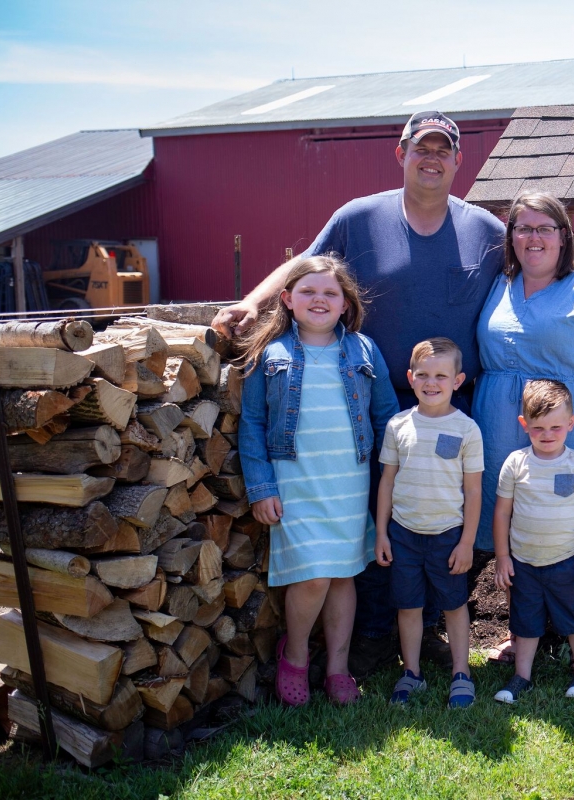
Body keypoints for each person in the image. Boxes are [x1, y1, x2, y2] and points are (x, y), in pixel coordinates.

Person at [214, 110, 505, 676]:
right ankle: (372, 635)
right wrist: (251, 303)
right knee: (374, 516)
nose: (432, 158)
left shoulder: (487, 231)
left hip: (449, 404)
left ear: (458, 159)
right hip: (369, 403)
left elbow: (536, 277)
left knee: (439, 515)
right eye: (421, 147)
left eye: (443, 149)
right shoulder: (358, 218)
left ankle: (429, 628)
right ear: (401, 154)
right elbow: (303, 269)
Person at [473, 190, 574, 664]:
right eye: (523, 228)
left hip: (568, 434)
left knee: (567, 527)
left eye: (545, 228)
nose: (533, 237)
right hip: (500, 430)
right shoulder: (499, 286)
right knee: (517, 524)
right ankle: (522, 634)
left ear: (563, 236)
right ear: (511, 237)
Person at [240, 255, 400, 706]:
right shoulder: (270, 355)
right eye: (308, 291)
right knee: (312, 578)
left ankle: (337, 668)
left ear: (345, 304)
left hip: (349, 482)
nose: (319, 300)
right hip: (296, 483)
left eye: (330, 293)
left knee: (344, 575)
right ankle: (294, 656)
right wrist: (262, 487)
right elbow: (252, 423)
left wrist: (394, 474)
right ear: (287, 299)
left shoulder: (364, 350)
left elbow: (386, 414)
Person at [374, 338, 482, 708]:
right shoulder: (398, 425)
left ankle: (461, 673)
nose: (431, 383)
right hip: (403, 534)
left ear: (458, 381)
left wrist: (467, 542)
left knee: (454, 604)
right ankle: (412, 672)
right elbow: (387, 481)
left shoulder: (467, 429)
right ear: (410, 378)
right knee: (408, 606)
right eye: (422, 375)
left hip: (448, 536)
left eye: (441, 376)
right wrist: (382, 533)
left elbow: (474, 490)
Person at [492, 380, 574, 702]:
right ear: (524, 424)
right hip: (523, 563)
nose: (547, 434)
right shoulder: (516, 463)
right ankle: (521, 677)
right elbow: (502, 513)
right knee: (525, 622)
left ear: (571, 423)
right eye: (538, 427)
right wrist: (502, 557)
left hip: (566, 561)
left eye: (556, 427)